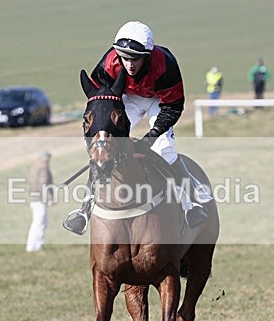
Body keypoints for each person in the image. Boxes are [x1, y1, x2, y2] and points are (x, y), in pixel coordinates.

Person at [63, 21, 213, 235]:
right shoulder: (109, 63)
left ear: (148, 56)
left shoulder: (165, 65)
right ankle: (84, 210)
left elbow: (173, 107)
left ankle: (191, 204)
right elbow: (100, 99)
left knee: (164, 149)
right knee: (103, 150)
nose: (129, 64)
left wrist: (150, 137)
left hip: (158, 101)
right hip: (127, 100)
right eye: (125, 58)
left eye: (136, 59)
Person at [26, 150, 54, 252]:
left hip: (34, 198)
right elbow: (44, 185)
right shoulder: (43, 168)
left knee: (36, 223)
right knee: (41, 223)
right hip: (40, 199)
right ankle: (37, 246)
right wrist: (50, 198)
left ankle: (31, 246)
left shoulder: (35, 167)